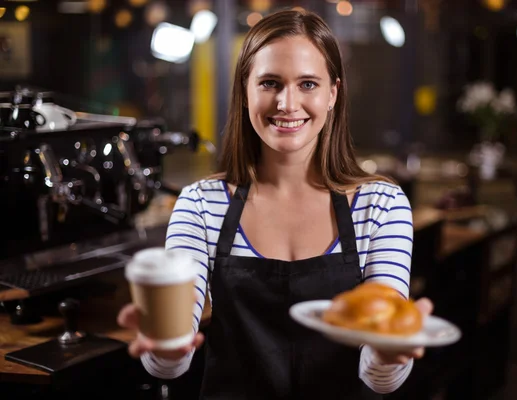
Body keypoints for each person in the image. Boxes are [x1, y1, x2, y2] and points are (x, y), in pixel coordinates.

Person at [118, 8, 433, 399]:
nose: (287, 103)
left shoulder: (381, 206)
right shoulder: (200, 206)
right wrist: (164, 342)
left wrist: (390, 355)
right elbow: (171, 358)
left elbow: (379, 378)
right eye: (269, 83)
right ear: (245, 90)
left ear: (332, 93)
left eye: (307, 84)